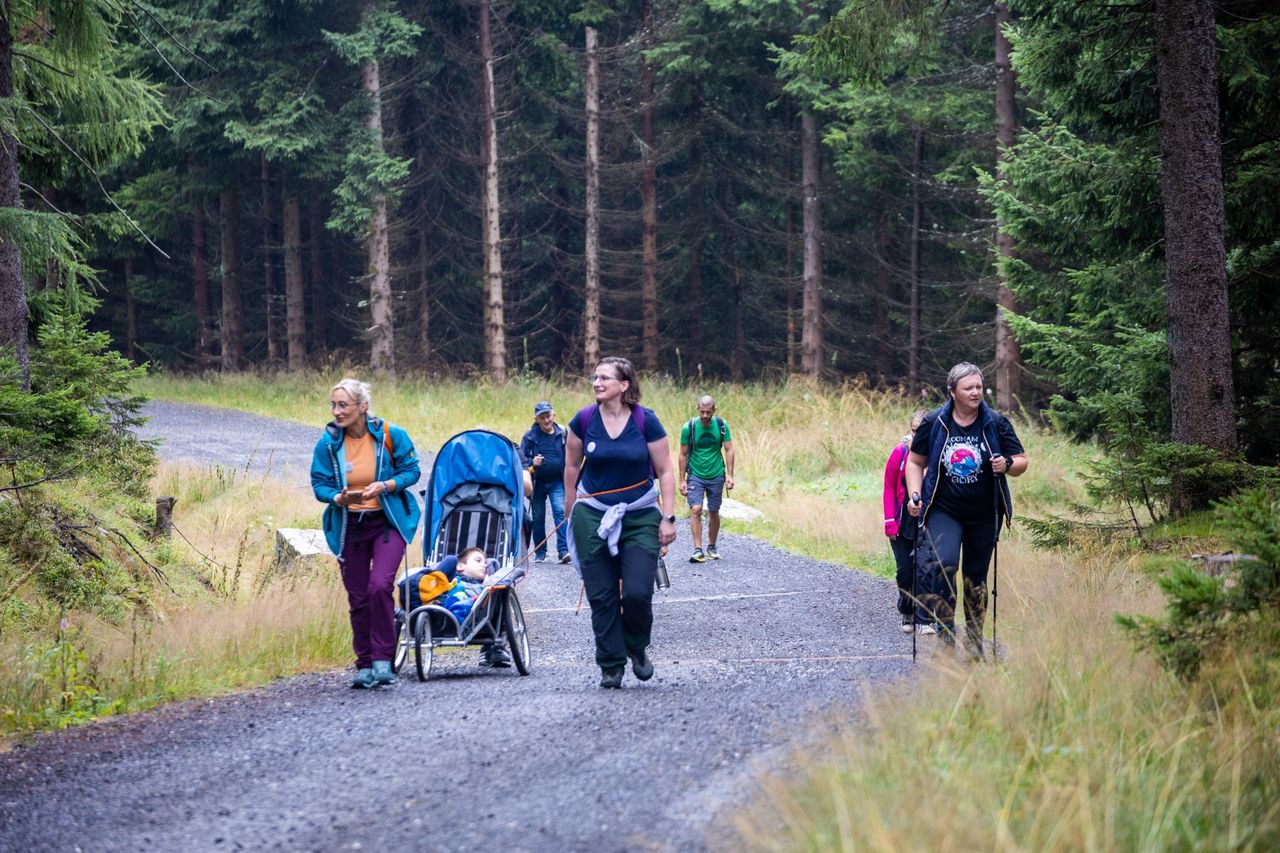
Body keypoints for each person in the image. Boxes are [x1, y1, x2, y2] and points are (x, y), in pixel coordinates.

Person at [564, 356, 678, 688]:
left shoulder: (646, 421)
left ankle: (637, 647)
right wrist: (570, 507)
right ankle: (610, 664)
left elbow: (666, 471)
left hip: (641, 514)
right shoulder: (583, 420)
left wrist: (668, 518)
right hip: (592, 513)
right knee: (601, 595)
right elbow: (572, 466)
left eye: (604, 378)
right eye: (594, 378)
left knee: (638, 592)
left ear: (624, 385)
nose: (596, 383)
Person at [904, 362, 1027, 657]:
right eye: (968, 388)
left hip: (984, 514)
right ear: (952, 392)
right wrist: (915, 495)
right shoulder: (934, 422)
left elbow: (1021, 460)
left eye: (978, 387)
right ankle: (946, 634)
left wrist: (1007, 465)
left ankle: (974, 639)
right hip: (943, 510)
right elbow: (915, 461)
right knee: (944, 566)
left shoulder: (995, 422)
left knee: (975, 578)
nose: (975, 393)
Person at [311, 378, 422, 689]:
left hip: (387, 522)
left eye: (343, 405)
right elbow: (319, 484)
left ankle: (383, 659)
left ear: (362, 407)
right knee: (358, 597)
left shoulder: (390, 434)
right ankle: (363, 665)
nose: (336, 411)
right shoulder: (329, 443)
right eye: (333, 405)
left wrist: (385, 485)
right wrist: (338, 498)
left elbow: (412, 471)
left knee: (379, 586)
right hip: (350, 526)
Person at [883, 410, 927, 634]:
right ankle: (906, 608)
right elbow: (889, 488)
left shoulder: (935, 454)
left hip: (927, 521)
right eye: (914, 431)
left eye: (922, 431)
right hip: (902, 522)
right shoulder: (899, 453)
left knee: (926, 569)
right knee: (905, 572)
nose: (917, 435)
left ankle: (925, 616)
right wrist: (889, 521)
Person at [678, 395, 735, 562]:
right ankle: (697, 549)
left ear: (714, 411)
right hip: (695, 474)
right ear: (697, 409)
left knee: (713, 510)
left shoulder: (721, 426)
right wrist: (682, 480)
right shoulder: (689, 427)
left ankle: (712, 546)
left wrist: (730, 475)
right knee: (695, 509)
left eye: (708, 412)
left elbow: (729, 449)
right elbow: (682, 454)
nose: (704, 416)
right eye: (702, 412)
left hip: (716, 474)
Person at [521, 401, 570, 563]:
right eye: (542, 417)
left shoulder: (562, 433)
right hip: (537, 483)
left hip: (557, 481)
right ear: (536, 419)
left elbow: (571, 455)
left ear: (553, 415)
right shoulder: (529, 437)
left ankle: (563, 551)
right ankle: (540, 552)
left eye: (548, 416)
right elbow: (521, 461)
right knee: (538, 516)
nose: (546, 420)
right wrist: (532, 464)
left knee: (561, 512)